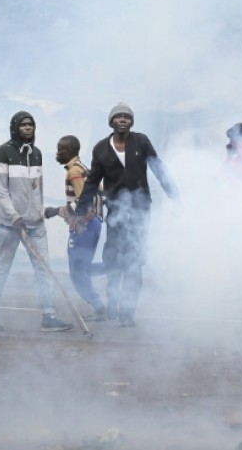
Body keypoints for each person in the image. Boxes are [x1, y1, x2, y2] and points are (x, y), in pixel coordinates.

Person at [74, 103, 179, 328]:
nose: (122, 119)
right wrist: (79, 212)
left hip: (141, 211)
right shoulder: (101, 149)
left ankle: (128, 313)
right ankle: (112, 305)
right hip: (116, 213)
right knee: (113, 259)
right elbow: (92, 182)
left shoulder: (141, 142)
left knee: (134, 262)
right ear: (111, 122)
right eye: (118, 117)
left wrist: (174, 194)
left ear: (131, 121)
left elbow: (158, 167)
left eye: (126, 117)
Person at [0, 111, 72, 333]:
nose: (28, 128)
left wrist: (39, 212)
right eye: (24, 125)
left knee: (44, 269)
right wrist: (14, 217)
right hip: (9, 225)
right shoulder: (3, 152)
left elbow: (37, 189)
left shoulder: (37, 154)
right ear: (15, 128)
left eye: (31, 124)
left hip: (35, 223)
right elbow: (1, 191)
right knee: (2, 269)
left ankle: (49, 316)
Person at [44, 135, 107, 320]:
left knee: (77, 273)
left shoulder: (74, 171)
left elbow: (83, 203)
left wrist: (56, 211)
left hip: (84, 226)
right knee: (82, 268)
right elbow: (101, 191)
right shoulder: (85, 168)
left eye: (60, 149)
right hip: (91, 224)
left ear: (69, 151)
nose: (57, 153)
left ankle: (99, 305)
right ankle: (113, 268)